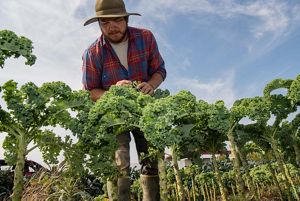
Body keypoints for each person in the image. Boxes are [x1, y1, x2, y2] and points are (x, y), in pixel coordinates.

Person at [81, 0, 167, 200]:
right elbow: (90, 91)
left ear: (126, 19)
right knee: (120, 163)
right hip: (114, 116)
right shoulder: (93, 53)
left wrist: (151, 85)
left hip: (145, 111)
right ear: (99, 24)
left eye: (117, 20)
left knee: (151, 159)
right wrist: (112, 92)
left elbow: (160, 70)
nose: (112, 27)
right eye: (105, 22)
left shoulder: (145, 38)